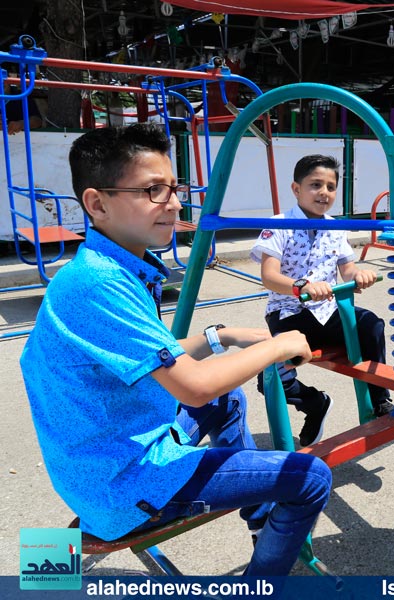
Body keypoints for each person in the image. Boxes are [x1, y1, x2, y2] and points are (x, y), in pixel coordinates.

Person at [20, 124, 331, 576]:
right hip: (121, 482)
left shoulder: (108, 266)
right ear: (97, 203)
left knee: (229, 400)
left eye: (173, 188)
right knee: (310, 478)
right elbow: (194, 388)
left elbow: (157, 354)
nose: (174, 202)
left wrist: (220, 335)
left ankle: (260, 519)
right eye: (152, 190)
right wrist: (279, 344)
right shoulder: (100, 283)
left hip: (98, 459)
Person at [251, 154, 393, 447]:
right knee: (271, 376)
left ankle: (379, 400)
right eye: (315, 185)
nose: (324, 192)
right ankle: (314, 403)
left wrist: (360, 274)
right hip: (290, 312)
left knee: (371, 325)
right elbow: (269, 276)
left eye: (330, 186)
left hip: (328, 311)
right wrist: (301, 285)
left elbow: (347, 268)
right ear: (296, 189)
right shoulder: (278, 224)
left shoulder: (336, 226)